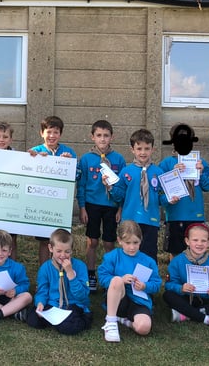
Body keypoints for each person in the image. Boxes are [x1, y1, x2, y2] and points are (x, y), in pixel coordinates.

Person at [76, 120, 126, 292]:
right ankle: (91, 274)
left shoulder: (118, 159)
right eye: (99, 135)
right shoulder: (87, 159)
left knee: (109, 242)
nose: (102, 139)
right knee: (92, 241)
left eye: (106, 136)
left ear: (112, 137)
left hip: (111, 205)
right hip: (92, 204)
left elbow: (122, 186)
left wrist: (120, 208)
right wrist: (82, 207)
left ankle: (108, 275)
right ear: (92, 137)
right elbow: (81, 184)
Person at [98, 221, 162, 343]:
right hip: (118, 300)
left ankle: (124, 321)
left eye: (135, 243)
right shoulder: (112, 256)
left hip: (139, 301)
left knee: (144, 328)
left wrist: (145, 286)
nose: (132, 247)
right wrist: (121, 280)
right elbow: (102, 278)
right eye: (127, 243)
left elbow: (157, 284)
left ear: (141, 240)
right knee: (116, 280)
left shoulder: (148, 261)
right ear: (119, 240)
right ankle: (111, 323)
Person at [163, 223, 209, 330]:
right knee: (168, 295)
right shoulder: (177, 261)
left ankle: (186, 315)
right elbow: (169, 285)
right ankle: (207, 319)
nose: (199, 244)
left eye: (203, 241)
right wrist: (181, 288)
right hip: (186, 298)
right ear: (187, 241)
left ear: (208, 243)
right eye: (195, 240)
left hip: (206, 299)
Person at [111, 129, 168, 263]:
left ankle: (146, 282)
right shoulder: (126, 172)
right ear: (132, 149)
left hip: (150, 220)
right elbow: (118, 197)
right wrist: (110, 187)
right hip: (130, 220)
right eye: (139, 148)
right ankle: (128, 281)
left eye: (147, 148)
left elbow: (161, 198)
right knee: (129, 253)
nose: (143, 152)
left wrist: (170, 199)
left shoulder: (158, 172)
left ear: (152, 149)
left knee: (148, 254)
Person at [28, 115, 77, 265]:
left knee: (61, 242)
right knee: (45, 242)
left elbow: (78, 175)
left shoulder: (69, 152)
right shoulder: (35, 151)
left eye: (56, 132)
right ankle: (44, 273)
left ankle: (60, 272)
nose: (52, 136)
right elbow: (26, 174)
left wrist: (69, 164)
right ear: (41, 133)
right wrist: (34, 160)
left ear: (60, 134)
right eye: (48, 132)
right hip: (41, 205)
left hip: (60, 205)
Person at [160, 123, 209, 258]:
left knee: (196, 250)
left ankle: (193, 277)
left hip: (195, 215)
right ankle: (174, 277)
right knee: (176, 251)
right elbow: (160, 190)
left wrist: (201, 173)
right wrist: (174, 173)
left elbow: (207, 187)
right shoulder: (167, 163)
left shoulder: (201, 162)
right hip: (175, 215)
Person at [26, 228, 93, 335]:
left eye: (67, 251)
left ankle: (84, 319)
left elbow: (82, 296)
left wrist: (71, 274)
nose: (63, 255)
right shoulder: (45, 268)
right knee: (33, 319)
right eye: (59, 251)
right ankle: (56, 321)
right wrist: (40, 303)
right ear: (50, 248)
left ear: (72, 250)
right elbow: (42, 291)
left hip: (73, 304)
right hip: (53, 305)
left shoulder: (80, 266)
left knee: (68, 327)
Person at [0, 122, 19, 257]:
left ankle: (12, 266)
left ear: (11, 139)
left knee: (11, 238)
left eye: (5, 137)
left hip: (10, 203)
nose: (1, 140)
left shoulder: (19, 157)